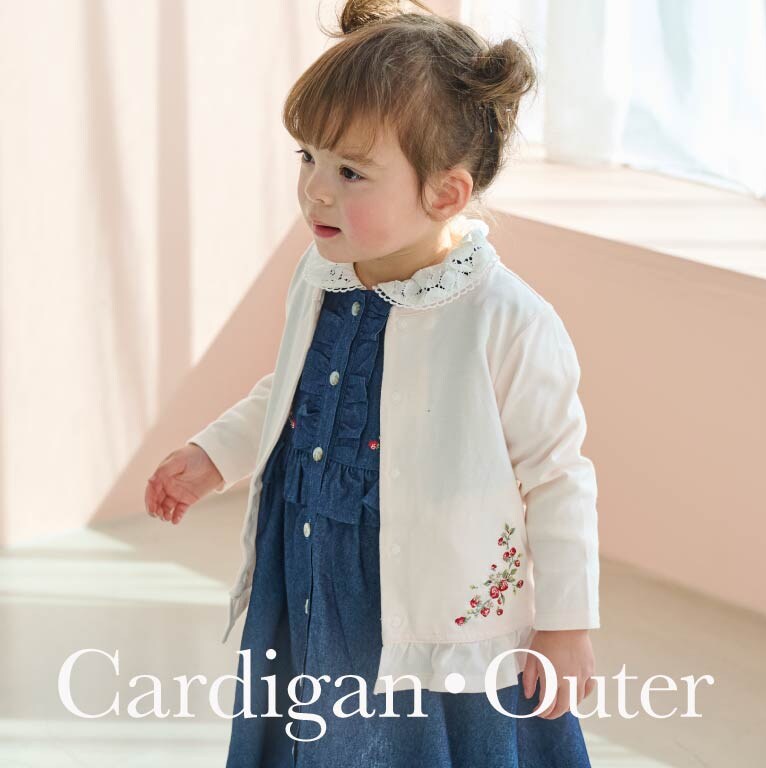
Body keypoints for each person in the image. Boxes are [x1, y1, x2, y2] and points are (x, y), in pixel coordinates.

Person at [145, 1, 599, 766]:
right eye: (309, 158)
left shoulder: (505, 319)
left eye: (350, 172)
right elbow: (295, 394)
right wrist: (215, 455)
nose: (316, 191)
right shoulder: (322, 274)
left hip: (426, 597)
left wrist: (565, 622)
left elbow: (557, 476)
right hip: (312, 565)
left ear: (444, 194)